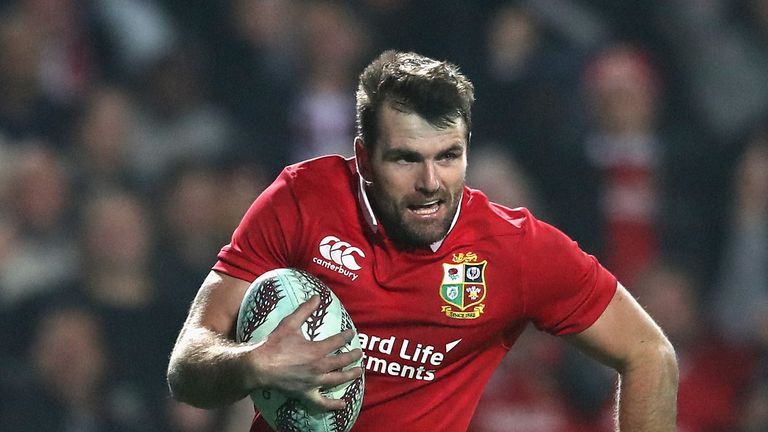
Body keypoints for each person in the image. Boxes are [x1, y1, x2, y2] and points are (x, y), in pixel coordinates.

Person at [167, 50, 678, 431]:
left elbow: (649, 352)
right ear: (365, 159)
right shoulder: (302, 200)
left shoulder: (514, 250)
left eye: (449, 156)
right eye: (406, 158)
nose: (431, 182)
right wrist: (252, 363)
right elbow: (187, 365)